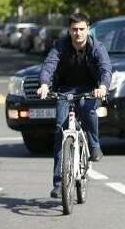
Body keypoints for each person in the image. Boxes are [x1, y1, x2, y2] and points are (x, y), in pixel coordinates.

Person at [37, 12, 112, 198]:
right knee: (59, 130)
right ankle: (59, 182)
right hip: (65, 89)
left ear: (88, 29)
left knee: (88, 111)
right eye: (74, 29)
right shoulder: (60, 46)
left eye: (81, 29)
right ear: (69, 30)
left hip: (90, 89)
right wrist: (44, 84)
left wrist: (102, 86)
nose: (78, 33)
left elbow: (105, 68)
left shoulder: (97, 47)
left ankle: (94, 145)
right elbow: (49, 65)